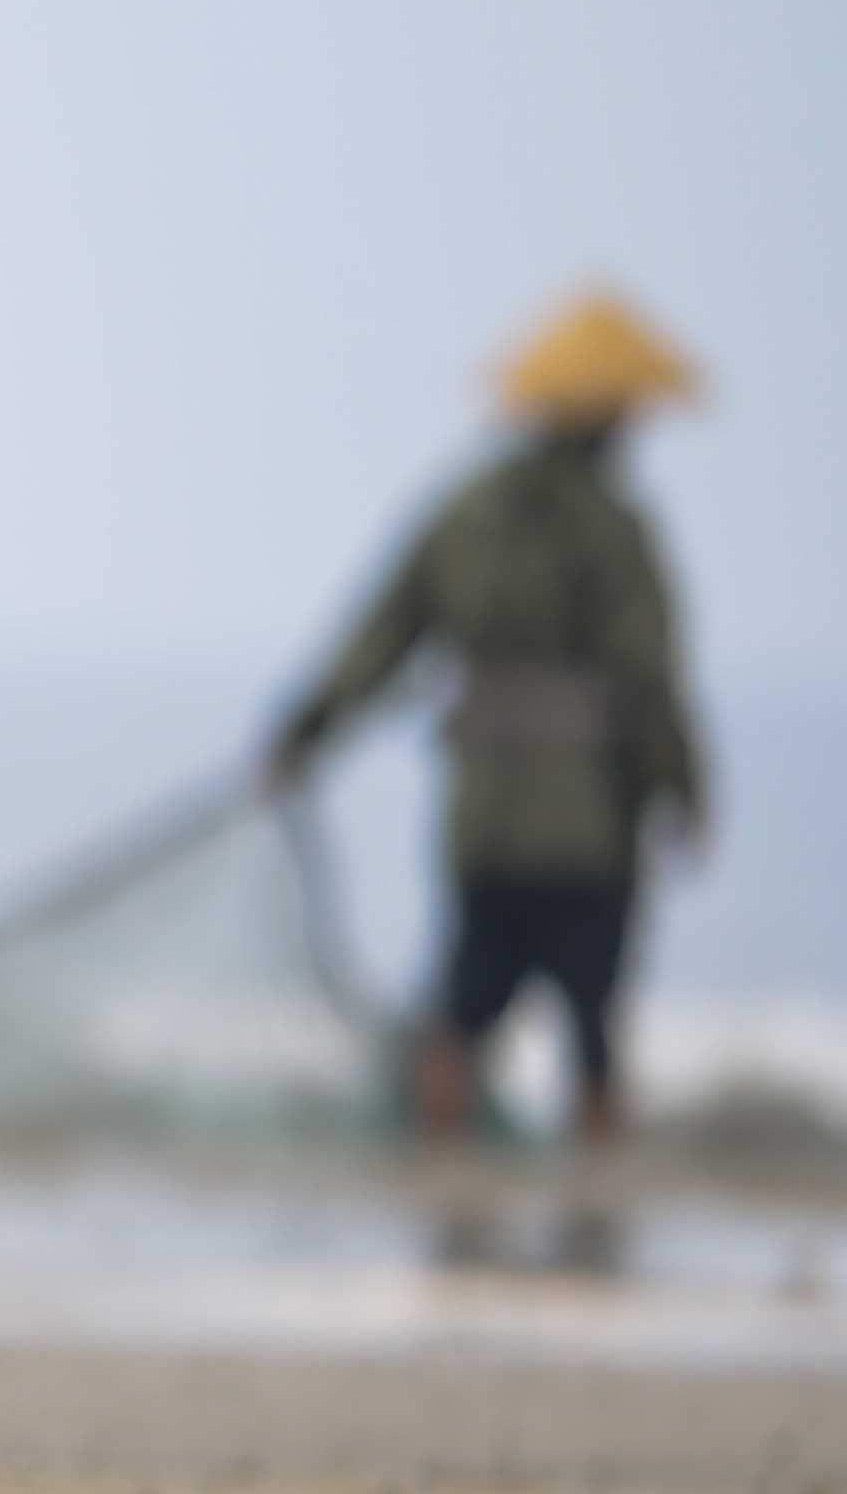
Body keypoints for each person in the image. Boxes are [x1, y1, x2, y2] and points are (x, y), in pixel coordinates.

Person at [266, 286, 711, 1148]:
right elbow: (649, 677)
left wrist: (306, 726)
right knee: (591, 1021)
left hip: (485, 817)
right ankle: (593, 1185)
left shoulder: (465, 513)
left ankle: (442, 1168)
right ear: (610, 419)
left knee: (463, 1007)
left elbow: (382, 629)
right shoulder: (617, 530)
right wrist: (682, 786)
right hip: (588, 823)